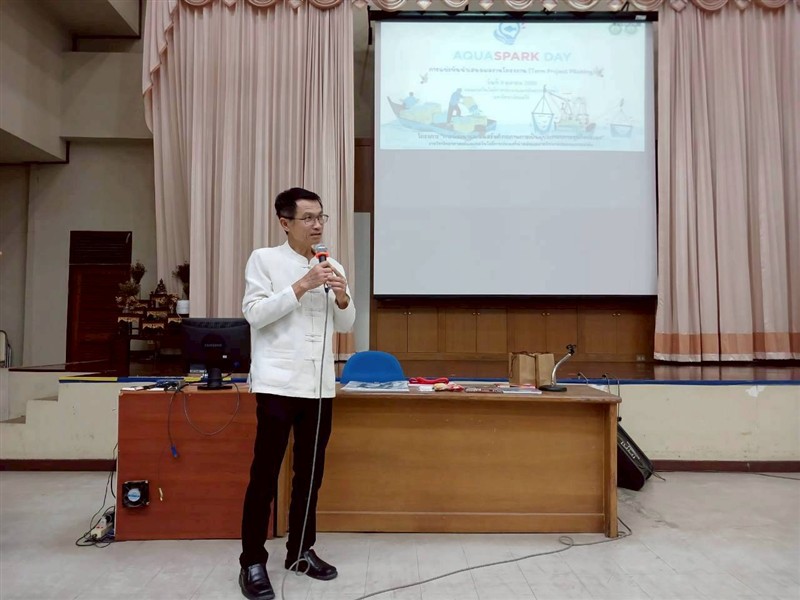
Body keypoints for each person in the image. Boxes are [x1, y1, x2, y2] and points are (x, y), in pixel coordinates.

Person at [238, 187, 356, 600]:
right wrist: (302, 285)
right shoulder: (264, 260)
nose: (317, 225)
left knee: (310, 475)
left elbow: (346, 325)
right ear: (285, 223)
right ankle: (252, 560)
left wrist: (341, 295)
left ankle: (301, 551)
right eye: (308, 218)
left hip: (319, 387)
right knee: (265, 474)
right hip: (278, 384)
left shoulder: (331, 263)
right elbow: (254, 314)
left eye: (321, 217)